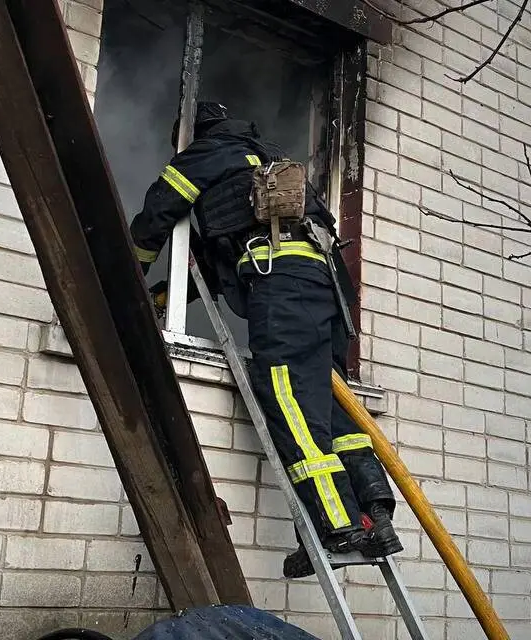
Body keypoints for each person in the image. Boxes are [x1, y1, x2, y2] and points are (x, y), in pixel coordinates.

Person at [128, 101, 402, 578]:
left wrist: (127, 268)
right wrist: (163, 297)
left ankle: (337, 525)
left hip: (283, 285)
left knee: (288, 398)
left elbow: (158, 213)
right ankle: (373, 514)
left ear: (194, 133)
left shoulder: (205, 154)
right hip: (327, 288)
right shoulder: (267, 157)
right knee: (329, 406)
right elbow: (215, 267)